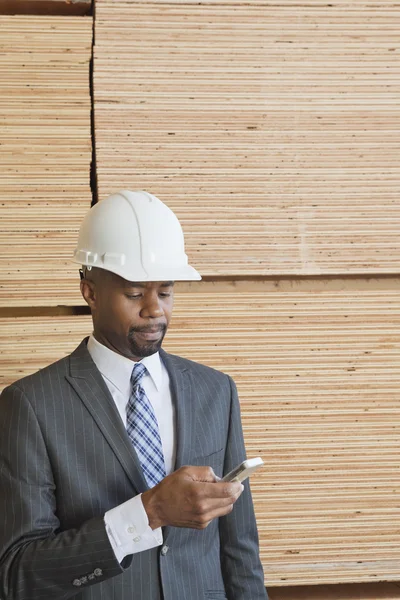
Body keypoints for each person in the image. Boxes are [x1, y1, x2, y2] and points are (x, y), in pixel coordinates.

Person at [0, 190, 268, 599]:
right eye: (134, 293)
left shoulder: (216, 391)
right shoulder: (31, 406)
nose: (154, 309)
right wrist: (148, 513)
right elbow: (18, 574)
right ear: (89, 291)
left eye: (165, 291)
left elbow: (240, 552)